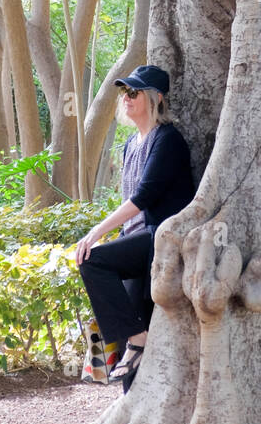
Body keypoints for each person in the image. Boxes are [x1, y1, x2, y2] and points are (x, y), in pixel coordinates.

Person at [75, 65, 195, 390]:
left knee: (93, 259)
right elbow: (129, 202)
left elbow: (143, 197)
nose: (125, 98)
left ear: (155, 98)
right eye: (124, 92)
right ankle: (132, 405)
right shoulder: (130, 145)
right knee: (135, 340)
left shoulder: (167, 140)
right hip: (137, 240)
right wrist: (117, 237)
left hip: (160, 241)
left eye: (133, 92)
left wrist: (96, 233)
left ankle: (137, 339)